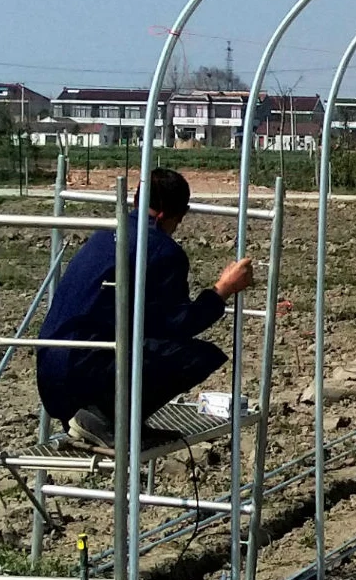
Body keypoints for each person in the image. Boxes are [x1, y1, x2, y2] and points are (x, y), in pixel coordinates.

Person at [36, 168, 253, 449]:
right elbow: (179, 324)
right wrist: (223, 289)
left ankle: (110, 419)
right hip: (86, 374)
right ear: (175, 214)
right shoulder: (161, 250)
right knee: (197, 356)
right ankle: (102, 417)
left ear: (137, 200)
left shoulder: (104, 235)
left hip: (50, 373)